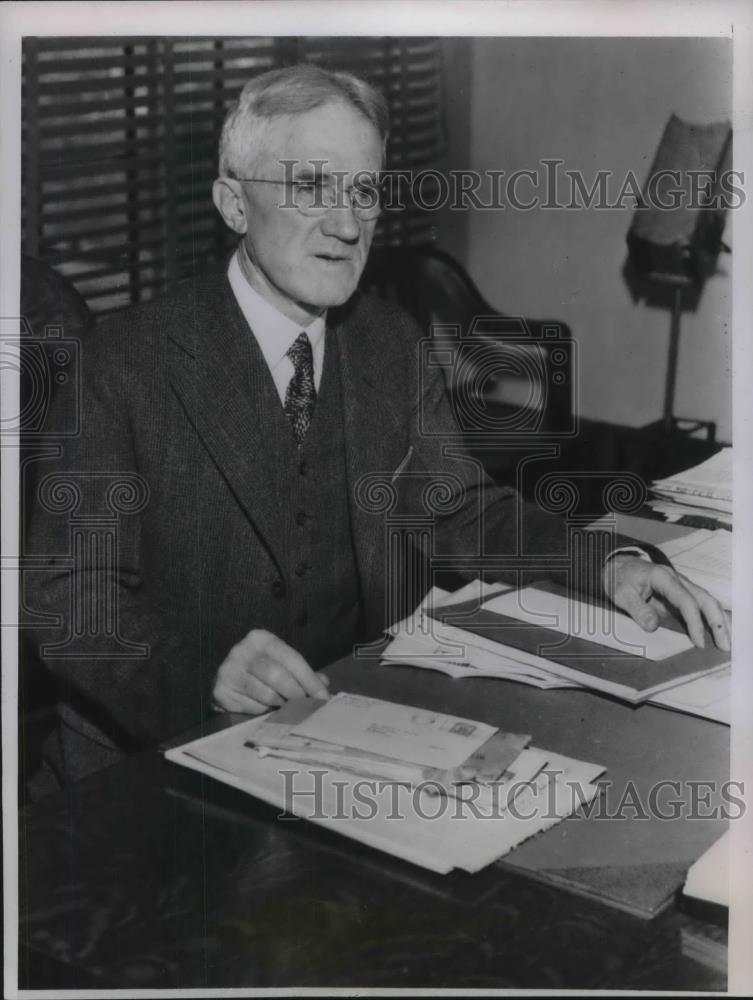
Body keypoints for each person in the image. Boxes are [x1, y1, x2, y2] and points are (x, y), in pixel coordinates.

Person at [24, 64, 730, 795]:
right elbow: (70, 596)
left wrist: (604, 564)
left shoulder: (387, 344)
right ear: (234, 204)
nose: (347, 223)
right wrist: (201, 670)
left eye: (363, 191)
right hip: (146, 774)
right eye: (310, 187)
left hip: (339, 743)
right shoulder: (121, 363)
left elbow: (460, 510)